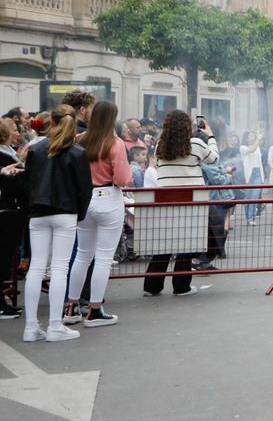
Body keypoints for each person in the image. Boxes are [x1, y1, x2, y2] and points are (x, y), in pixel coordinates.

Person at [19, 106, 92, 342]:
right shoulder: (77, 152)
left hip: (38, 212)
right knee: (60, 268)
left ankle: (31, 327)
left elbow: (27, 183)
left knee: (37, 268)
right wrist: (79, 214)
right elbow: (85, 189)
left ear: (52, 121)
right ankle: (54, 325)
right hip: (65, 211)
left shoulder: (36, 149)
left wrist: (31, 207)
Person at [63, 101, 130, 328]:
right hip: (108, 197)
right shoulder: (115, 143)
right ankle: (94, 310)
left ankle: (71, 307)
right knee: (103, 258)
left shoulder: (80, 140)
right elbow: (122, 178)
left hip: (85, 199)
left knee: (83, 254)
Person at [144, 109, 220, 296]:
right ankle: (181, 285)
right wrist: (210, 136)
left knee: (164, 244)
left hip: (165, 199)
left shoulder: (160, 144)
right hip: (191, 199)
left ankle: (151, 286)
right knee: (187, 243)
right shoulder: (195, 143)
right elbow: (214, 159)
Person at [0, 118, 27, 318]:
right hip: (7, 211)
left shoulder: (9, 154)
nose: (17, 132)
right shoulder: (5, 157)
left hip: (9, 210)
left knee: (5, 257)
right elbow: (14, 184)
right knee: (3, 258)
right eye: (14, 129)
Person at [239, 130, 265, 225]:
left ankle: (252, 218)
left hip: (258, 172)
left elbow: (260, 160)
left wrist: (262, 176)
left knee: (254, 196)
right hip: (249, 173)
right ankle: (248, 217)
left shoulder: (258, 147)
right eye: (250, 135)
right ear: (246, 138)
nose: (252, 137)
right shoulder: (242, 147)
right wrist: (258, 139)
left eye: (254, 136)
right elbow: (251, 150)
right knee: (248, 197)